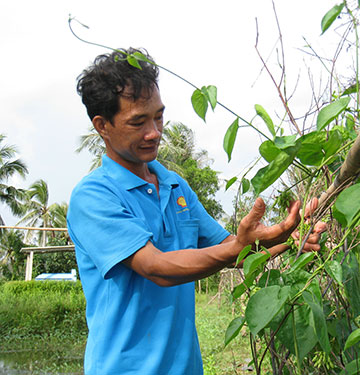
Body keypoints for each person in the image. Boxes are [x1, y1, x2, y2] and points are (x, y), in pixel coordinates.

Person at [67, 47, 326, 375]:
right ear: (103, 126)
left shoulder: (174, 186)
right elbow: (156, 267)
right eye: (138, 122)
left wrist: (291, 235)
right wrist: (236, 247)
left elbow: (237, 251)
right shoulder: (94, 196)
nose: (155, 132)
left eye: (159, 116)